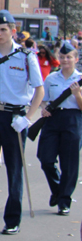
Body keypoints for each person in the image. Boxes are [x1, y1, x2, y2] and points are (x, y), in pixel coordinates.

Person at [0, 10, 44, 237]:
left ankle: (12, 219)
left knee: (14, 169)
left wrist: (28, 117)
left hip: (15, 117)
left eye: (4, 29)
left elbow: (39, 90)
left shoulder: (25, 56)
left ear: (13, 30)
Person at [38, 41, 82, 216]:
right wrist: (44, 108)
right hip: (53, 119)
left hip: (73, 119)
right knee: (45, 158)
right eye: (62, 57)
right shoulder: (51, 78)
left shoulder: (79, 78)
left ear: (76, 59)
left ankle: (64, 200)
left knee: (69, 164)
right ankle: (57, 189)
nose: (65, 60)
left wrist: (78, 94)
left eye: (69, 57)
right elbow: (44, 98)